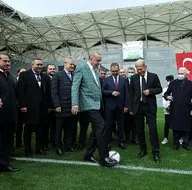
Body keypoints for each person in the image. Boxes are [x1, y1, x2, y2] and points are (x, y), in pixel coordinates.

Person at [71, 51, 117, 167]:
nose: (99, 62)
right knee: (102, 126)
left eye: (100, 60)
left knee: (97, 130)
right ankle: (104, 158)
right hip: (88, 104)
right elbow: (75, 87)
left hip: (98, 104)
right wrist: (75, 104)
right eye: (97, 60)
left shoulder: (95, 71)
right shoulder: (82, 68)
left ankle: (88, 155)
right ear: (91, 58)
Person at [129, 59, 162, 162]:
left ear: (145, 67)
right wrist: (131, 108)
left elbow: (159, 89)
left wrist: (150, 91)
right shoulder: (134, 78)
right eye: (137, 69)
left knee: (152, 130)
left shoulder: (153, 76)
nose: (139, 71)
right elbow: (131, 94)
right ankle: (143, 150)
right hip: (138, 108)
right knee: (139, 130)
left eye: (141, 69)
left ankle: (156, 153)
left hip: (150, 107)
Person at [17, 58, 51, 157]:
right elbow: (20, 91)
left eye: (41, 65)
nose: (40, 66)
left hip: (42, 109)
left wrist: (48, 106)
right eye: (38, 64)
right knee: (28, 130)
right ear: (32, 65)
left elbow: (48, 94)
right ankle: (27, 150)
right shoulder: (24, 75)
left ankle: (39, 149)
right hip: (29, 108)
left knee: (40, 130)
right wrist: (22, 105)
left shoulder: (45, 77)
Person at [51, 57, 77, 155]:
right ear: (65, 64)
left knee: (69, 128)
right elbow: (54, 91)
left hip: (71, 107)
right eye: (70, 64)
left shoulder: (74, 75)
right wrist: (57, 105)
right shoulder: (58, 75)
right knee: (58, 129)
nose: (72, 66)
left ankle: (68, 145)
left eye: (73, 64)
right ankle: (58, 147)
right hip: (61, 107)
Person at [164, 67, 192, 150]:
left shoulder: (190, 84)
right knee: (175, 127)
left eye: (181, 73)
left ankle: (186, 143)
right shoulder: (173, 83)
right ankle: (175, 144)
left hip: (187, 109)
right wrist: (167, 96)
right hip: (175, 108)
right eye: (179, 73)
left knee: (187, 127)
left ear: (186, 74)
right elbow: (166, 93)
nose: (180, 75)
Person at [0, 54, 20, 172]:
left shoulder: (10, 76)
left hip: (10, 115)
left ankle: (4, 161)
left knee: (6, 139)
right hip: (2, 114)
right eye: (5, 61)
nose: (8, 63)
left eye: (9, 61)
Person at [102, 63, 128, 149]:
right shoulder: (107, 80)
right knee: (109, 125)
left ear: (119, 69)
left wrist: (126, 106)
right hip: (109, 107)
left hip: (120, 106)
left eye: (116, 71)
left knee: (121, 125)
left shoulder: (124, 80)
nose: (115, 72)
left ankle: (121, 142)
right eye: (113, 71)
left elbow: (127, 94)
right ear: (110, 70)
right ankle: (108, 141)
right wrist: (111, 93)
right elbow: (102, 91)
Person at [44, 64, 57, 148]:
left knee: (55, 126)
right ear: (47, 70)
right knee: (45, 126)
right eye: (50, 69)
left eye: (53, 69)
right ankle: (45, 143)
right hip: (47, 107)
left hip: (56, 107)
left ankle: (53, 141)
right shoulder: (44, 78)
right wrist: (48, 106)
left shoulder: (56, 78)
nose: (52, 70)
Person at [124, 66, 137, 144]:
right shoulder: (123, 81)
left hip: (135, 106)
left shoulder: (136, 80)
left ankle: (134, 139)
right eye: (129, 72)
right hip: (126, 106)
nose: (130, 74)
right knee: (126, 124)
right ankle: (127, 138)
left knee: (135, 124)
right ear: (126, 73)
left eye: (132, 72)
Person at [15, 68, 27, 148]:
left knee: (21, 126)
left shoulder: (26, 82)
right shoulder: (14, 80)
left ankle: (19, 142)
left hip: (23, 107)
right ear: (18, 73)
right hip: (15, 107)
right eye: (22, 72)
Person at [161, 75, 174, 145]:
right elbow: (164, 99)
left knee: (177, 123)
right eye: (168, 80)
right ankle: (165, 138)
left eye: (171, 80)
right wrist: (166, 107)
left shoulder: (175, 88)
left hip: (175, 109)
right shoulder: (165, 89)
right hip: (167, 109)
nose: (169, 82)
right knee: (167, 123)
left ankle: (179, 138)